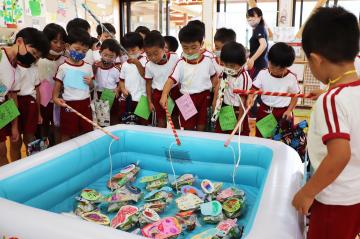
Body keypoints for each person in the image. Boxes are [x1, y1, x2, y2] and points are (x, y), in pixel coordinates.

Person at [292, 7, 360, 239]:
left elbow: (339, 155)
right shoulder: (349, 91)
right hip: (355, 195)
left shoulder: (332, 101)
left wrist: (307, 193)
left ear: (315, 59)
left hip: (334, 198)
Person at [0, 27, 49, 165]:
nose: (34, 58)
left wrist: (15, 126)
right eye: (33, 53)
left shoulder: (15, 69)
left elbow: (12, 97)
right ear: (19, 41)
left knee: (3, 149)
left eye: (37, 57)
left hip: (4, 107)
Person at [159, 24, 218, 131]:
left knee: (202, 125)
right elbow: (170, 80)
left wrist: (215, 97)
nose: (190, 51)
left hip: (204, 97)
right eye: (185, 48)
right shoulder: (181, 63)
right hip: (186, 98)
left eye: (194, 47)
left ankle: (199, 145)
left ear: (201, 44)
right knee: (188, 126)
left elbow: (215, 79)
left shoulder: (208, 61)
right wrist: (164, 95)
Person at [248, 42, 299, 137]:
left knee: (283, 139)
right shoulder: (263, 73)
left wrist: (289, 110)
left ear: (286, 66)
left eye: (279, 69)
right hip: (264, 111)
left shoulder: (291, 78)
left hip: (283, 113)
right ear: (269, 60)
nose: (274, 70)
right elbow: (253, 89)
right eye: (271, 66)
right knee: (262, 138)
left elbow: (295, 96)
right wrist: (250, 97)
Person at [52, 29, 94, 142]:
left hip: (85, 104)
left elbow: (91, 87)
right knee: (66, 134)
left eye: (84, 51)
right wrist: (57, 101)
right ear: (67, 46)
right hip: (69, 105)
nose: (80, 53)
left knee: (86, 133)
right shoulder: (63, 68)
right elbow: (55, 95)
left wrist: (91, 83)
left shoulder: (88, 67)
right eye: (77, 49)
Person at [37, 23, 67, 146]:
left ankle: (58, 150)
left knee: (58, 126)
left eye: (62, 42)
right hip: (42, 102)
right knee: (42, 127)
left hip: (60, 100)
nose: (59, 46)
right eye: (55, 41)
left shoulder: (66, 60)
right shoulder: (38, 60)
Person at [213, 42, 252, 135]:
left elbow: (243, 101)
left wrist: (240, 122)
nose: (228, 68)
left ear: (242, 63)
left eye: (232, 66)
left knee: (238, 135)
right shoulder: (226, 71)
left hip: (238, 110)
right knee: (221, 134)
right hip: (225, 108)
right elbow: (219, 87)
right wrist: (215, 103)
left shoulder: (244, 77)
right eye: (225, 64)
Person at [143, 31, 179, 128]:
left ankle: (179, 141)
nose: (153, 57)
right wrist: (149, 102)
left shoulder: (175, 57)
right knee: (161, 121)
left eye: (155, 53)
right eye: (148, 54)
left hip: (175, 92)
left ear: (164, 49)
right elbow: (148, 84)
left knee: (175, 119)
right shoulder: (149, 66)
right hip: (158, 94)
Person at [118, 32, 148, 125]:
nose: (130, 52)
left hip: (143, 100)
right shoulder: (125, 64)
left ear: (141, 48)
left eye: (133, 49)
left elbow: (146, 76)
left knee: (143, 126)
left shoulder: (146, 61)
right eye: (127, 50)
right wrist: (123, 89)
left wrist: (137, 63)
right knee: (127, 125)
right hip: (128, 100)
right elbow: (121, 80)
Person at [93, 39, 122, 125]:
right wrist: (94, 67)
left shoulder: (116, 69)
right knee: (102, 120)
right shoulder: (96, 66)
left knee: (113, 117)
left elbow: (120, 82)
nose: (108, 58)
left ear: (116, 57)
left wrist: (118, 89)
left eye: (111, 56)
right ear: (100, 53)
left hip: (112, 94)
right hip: (99, 93)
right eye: (105, 55)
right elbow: (92, 76)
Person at [246, 7, 268, 79]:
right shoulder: (259, 28)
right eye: (248, 17)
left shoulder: (259, 28)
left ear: (259, 17)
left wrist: (252, 59)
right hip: (259, 63)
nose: (250, 19)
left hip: (258, 65)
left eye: (252, 16)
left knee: (252, 87)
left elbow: (263, 44)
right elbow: (256, 47)